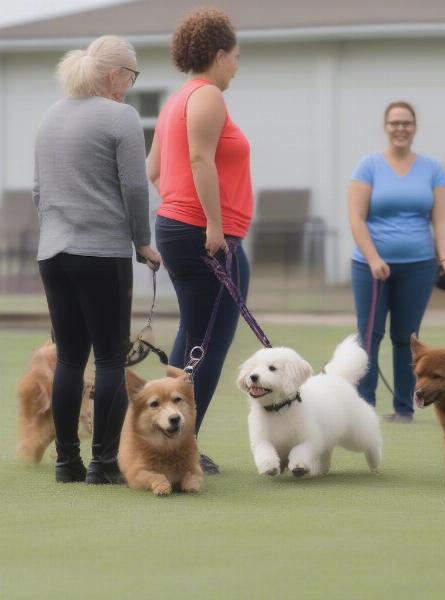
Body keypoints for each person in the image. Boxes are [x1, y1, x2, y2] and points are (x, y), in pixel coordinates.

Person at [33, 35, 161, 484]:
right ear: (114, 75)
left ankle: (67, 462)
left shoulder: (51, 115)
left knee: (69, 358)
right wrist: (142, 240)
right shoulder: (120, 116)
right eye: (132, 74)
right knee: (109, 359)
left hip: (53, 251)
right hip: (101, 251)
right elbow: (134, 186)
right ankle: (104, 464)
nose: (131, 82)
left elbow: (38, 191)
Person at [147, 8, 253, 473]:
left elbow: (154, 170)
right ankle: (181, 448)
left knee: (192, 335)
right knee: (207, 343)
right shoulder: (208, 95)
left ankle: (158, 441)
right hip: (206, 234)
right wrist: (210, 223)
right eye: (234, 57)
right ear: (217, 55)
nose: (236, 65)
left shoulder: (177, 99)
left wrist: (177, 208)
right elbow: (199, 159)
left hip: (178, 227)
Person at [348, 101, 445, 423]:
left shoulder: (432, 169)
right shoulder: (367, 165)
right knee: (369, 336)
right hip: (370, 267)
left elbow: (442, 220)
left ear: (414, 127)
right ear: (386, 127)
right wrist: (373, 258)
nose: (401, 128)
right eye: (395, 123)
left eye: (407, 123)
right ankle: (363, 407)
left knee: (407, 339)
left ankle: (404, 407)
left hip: (419, 265)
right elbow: (356, 218)